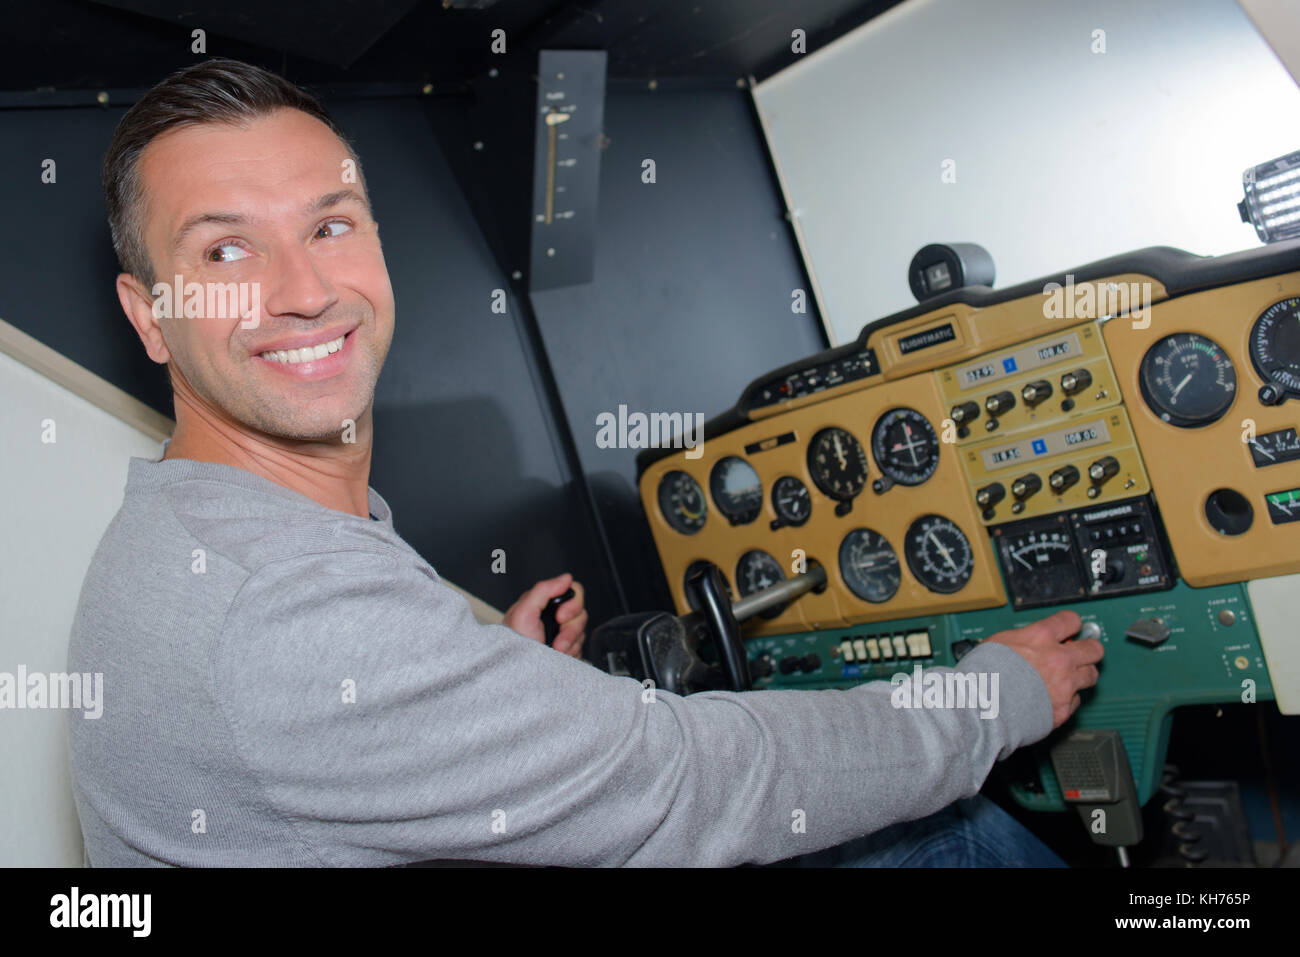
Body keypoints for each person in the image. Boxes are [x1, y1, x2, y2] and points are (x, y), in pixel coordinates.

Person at [67, 58, 1103, 867]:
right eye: (226, 251)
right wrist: (987, 702)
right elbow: (695, 783)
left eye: (329, 225)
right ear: (148, 317)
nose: (304, 290)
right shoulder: (284, 612)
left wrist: (497, 697)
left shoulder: (204, 530)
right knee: (941, 838)